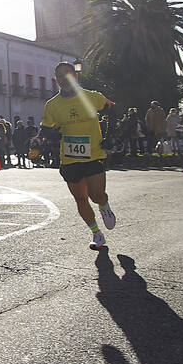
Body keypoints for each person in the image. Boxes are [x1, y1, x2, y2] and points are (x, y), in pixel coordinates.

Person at [40, 62, 116, 250]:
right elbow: (45, 129)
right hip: (70, 159)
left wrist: (109, 136)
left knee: (96, 195)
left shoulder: (92, 97)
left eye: (68, 74)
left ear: (76, 76)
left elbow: (113, 110)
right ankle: (96, 233)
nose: (64, 79)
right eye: (60, 76)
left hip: (94, 155)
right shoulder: (52, 105)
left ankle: (104, 205)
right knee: (81, 199)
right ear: (56, 80)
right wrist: (50, 137)